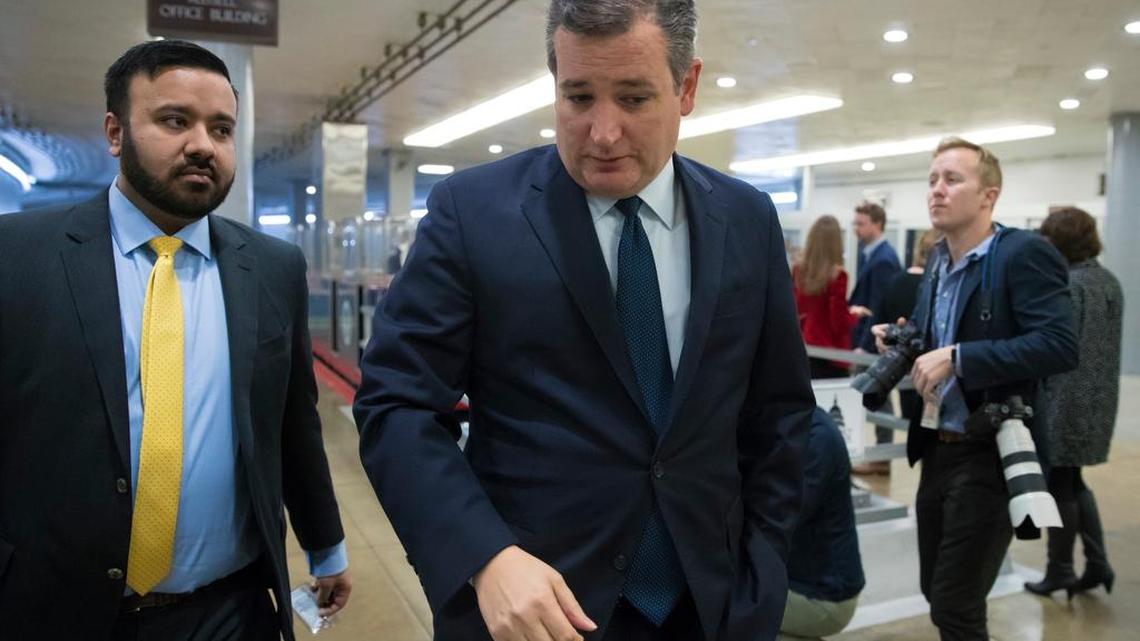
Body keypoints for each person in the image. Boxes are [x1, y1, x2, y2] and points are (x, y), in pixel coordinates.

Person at [353, 2, 815, 640]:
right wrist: (484, 557)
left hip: (709, 605)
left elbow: (780, 414)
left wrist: (762, 575)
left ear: (686, 87)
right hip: (532, 609)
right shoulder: (475, 213)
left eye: (633, 98)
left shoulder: (746, 219)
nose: (602, 132)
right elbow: (396, 404)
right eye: (578, 97)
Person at [0, 40, 351, 640]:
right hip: (60, 609)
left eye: (221, 129)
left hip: (232, 610)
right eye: (174, 120)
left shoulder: (271, 267)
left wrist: (326, 545)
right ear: (115, 132)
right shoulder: (19, 257)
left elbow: (292, 423)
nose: (201, 145)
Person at [872, 137, 1077, 641]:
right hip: (938, 447)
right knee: (935, 589)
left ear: (989, 195)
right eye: (933, 180)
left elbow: (1058, 345)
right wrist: (905, 341)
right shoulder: (939, 261)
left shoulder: (1022, 255)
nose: (937, 191)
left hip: (991, 449)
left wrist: (960, 359)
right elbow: (934, 337)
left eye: (953, 179)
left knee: (955, 604)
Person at [1024, 207, 1122, 598]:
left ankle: (1060, 568)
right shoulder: (1109, 280)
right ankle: (1097, 563)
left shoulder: (1070, 285)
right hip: (1098, 399)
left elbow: (1057, 348)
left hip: (1066, 399)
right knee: (1073, 479)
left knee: (1059, 484)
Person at [780, 408, 865, 639]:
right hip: (803, 579)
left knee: (728, 607)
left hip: (823, 593)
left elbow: (781, 520)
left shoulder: (816, 437)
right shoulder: (790, 423)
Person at [792, 215, 856, 379]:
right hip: (831, 357)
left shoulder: (798, 271)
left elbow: (794, 310)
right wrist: (855, 316)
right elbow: (838, 324)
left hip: (802, 351)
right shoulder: (838, 276)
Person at [848, 201, 902, 353]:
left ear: (877, 224)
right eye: (855, 224)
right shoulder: (868, 255)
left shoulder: (883, 260)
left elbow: (878, 307)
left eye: (861, 224)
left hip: (870, 344)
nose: (856, 229)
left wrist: (864, 346)